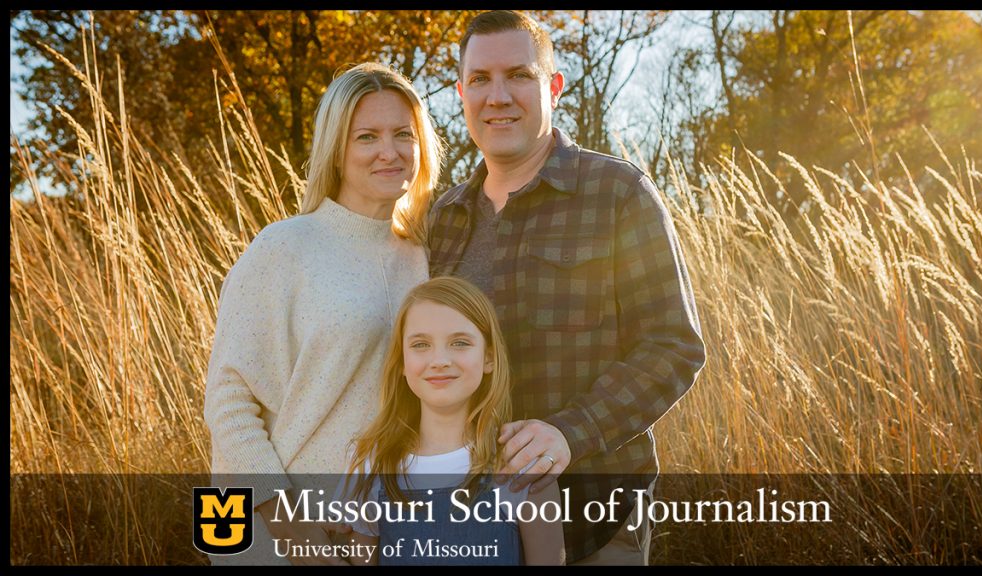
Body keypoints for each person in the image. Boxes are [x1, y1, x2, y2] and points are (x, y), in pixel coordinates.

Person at [427, 11, 706, 565]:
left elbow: (674, 346)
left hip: (593, 519)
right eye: (480, 79)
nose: (498, 96)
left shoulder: (617, 194)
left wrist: (569, 433)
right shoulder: (444, 219)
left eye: (519, 75)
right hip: (470, 524)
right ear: (461, 94)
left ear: (553, 86)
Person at [203, 62, 444, 565]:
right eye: (367, 137)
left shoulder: (423, 257)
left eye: (403, 134)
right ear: (336, 149)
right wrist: (293, 531)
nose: (389, 151)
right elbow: (228, 400)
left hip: (383, 531)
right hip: (285, 529)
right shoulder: (285, 247)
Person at [337, 276, 565, 565]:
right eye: (421, 344)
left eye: (459, 342)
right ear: (402, 362)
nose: (440, 360)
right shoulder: (371, 461)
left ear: (489, 358)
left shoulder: (522, 462)